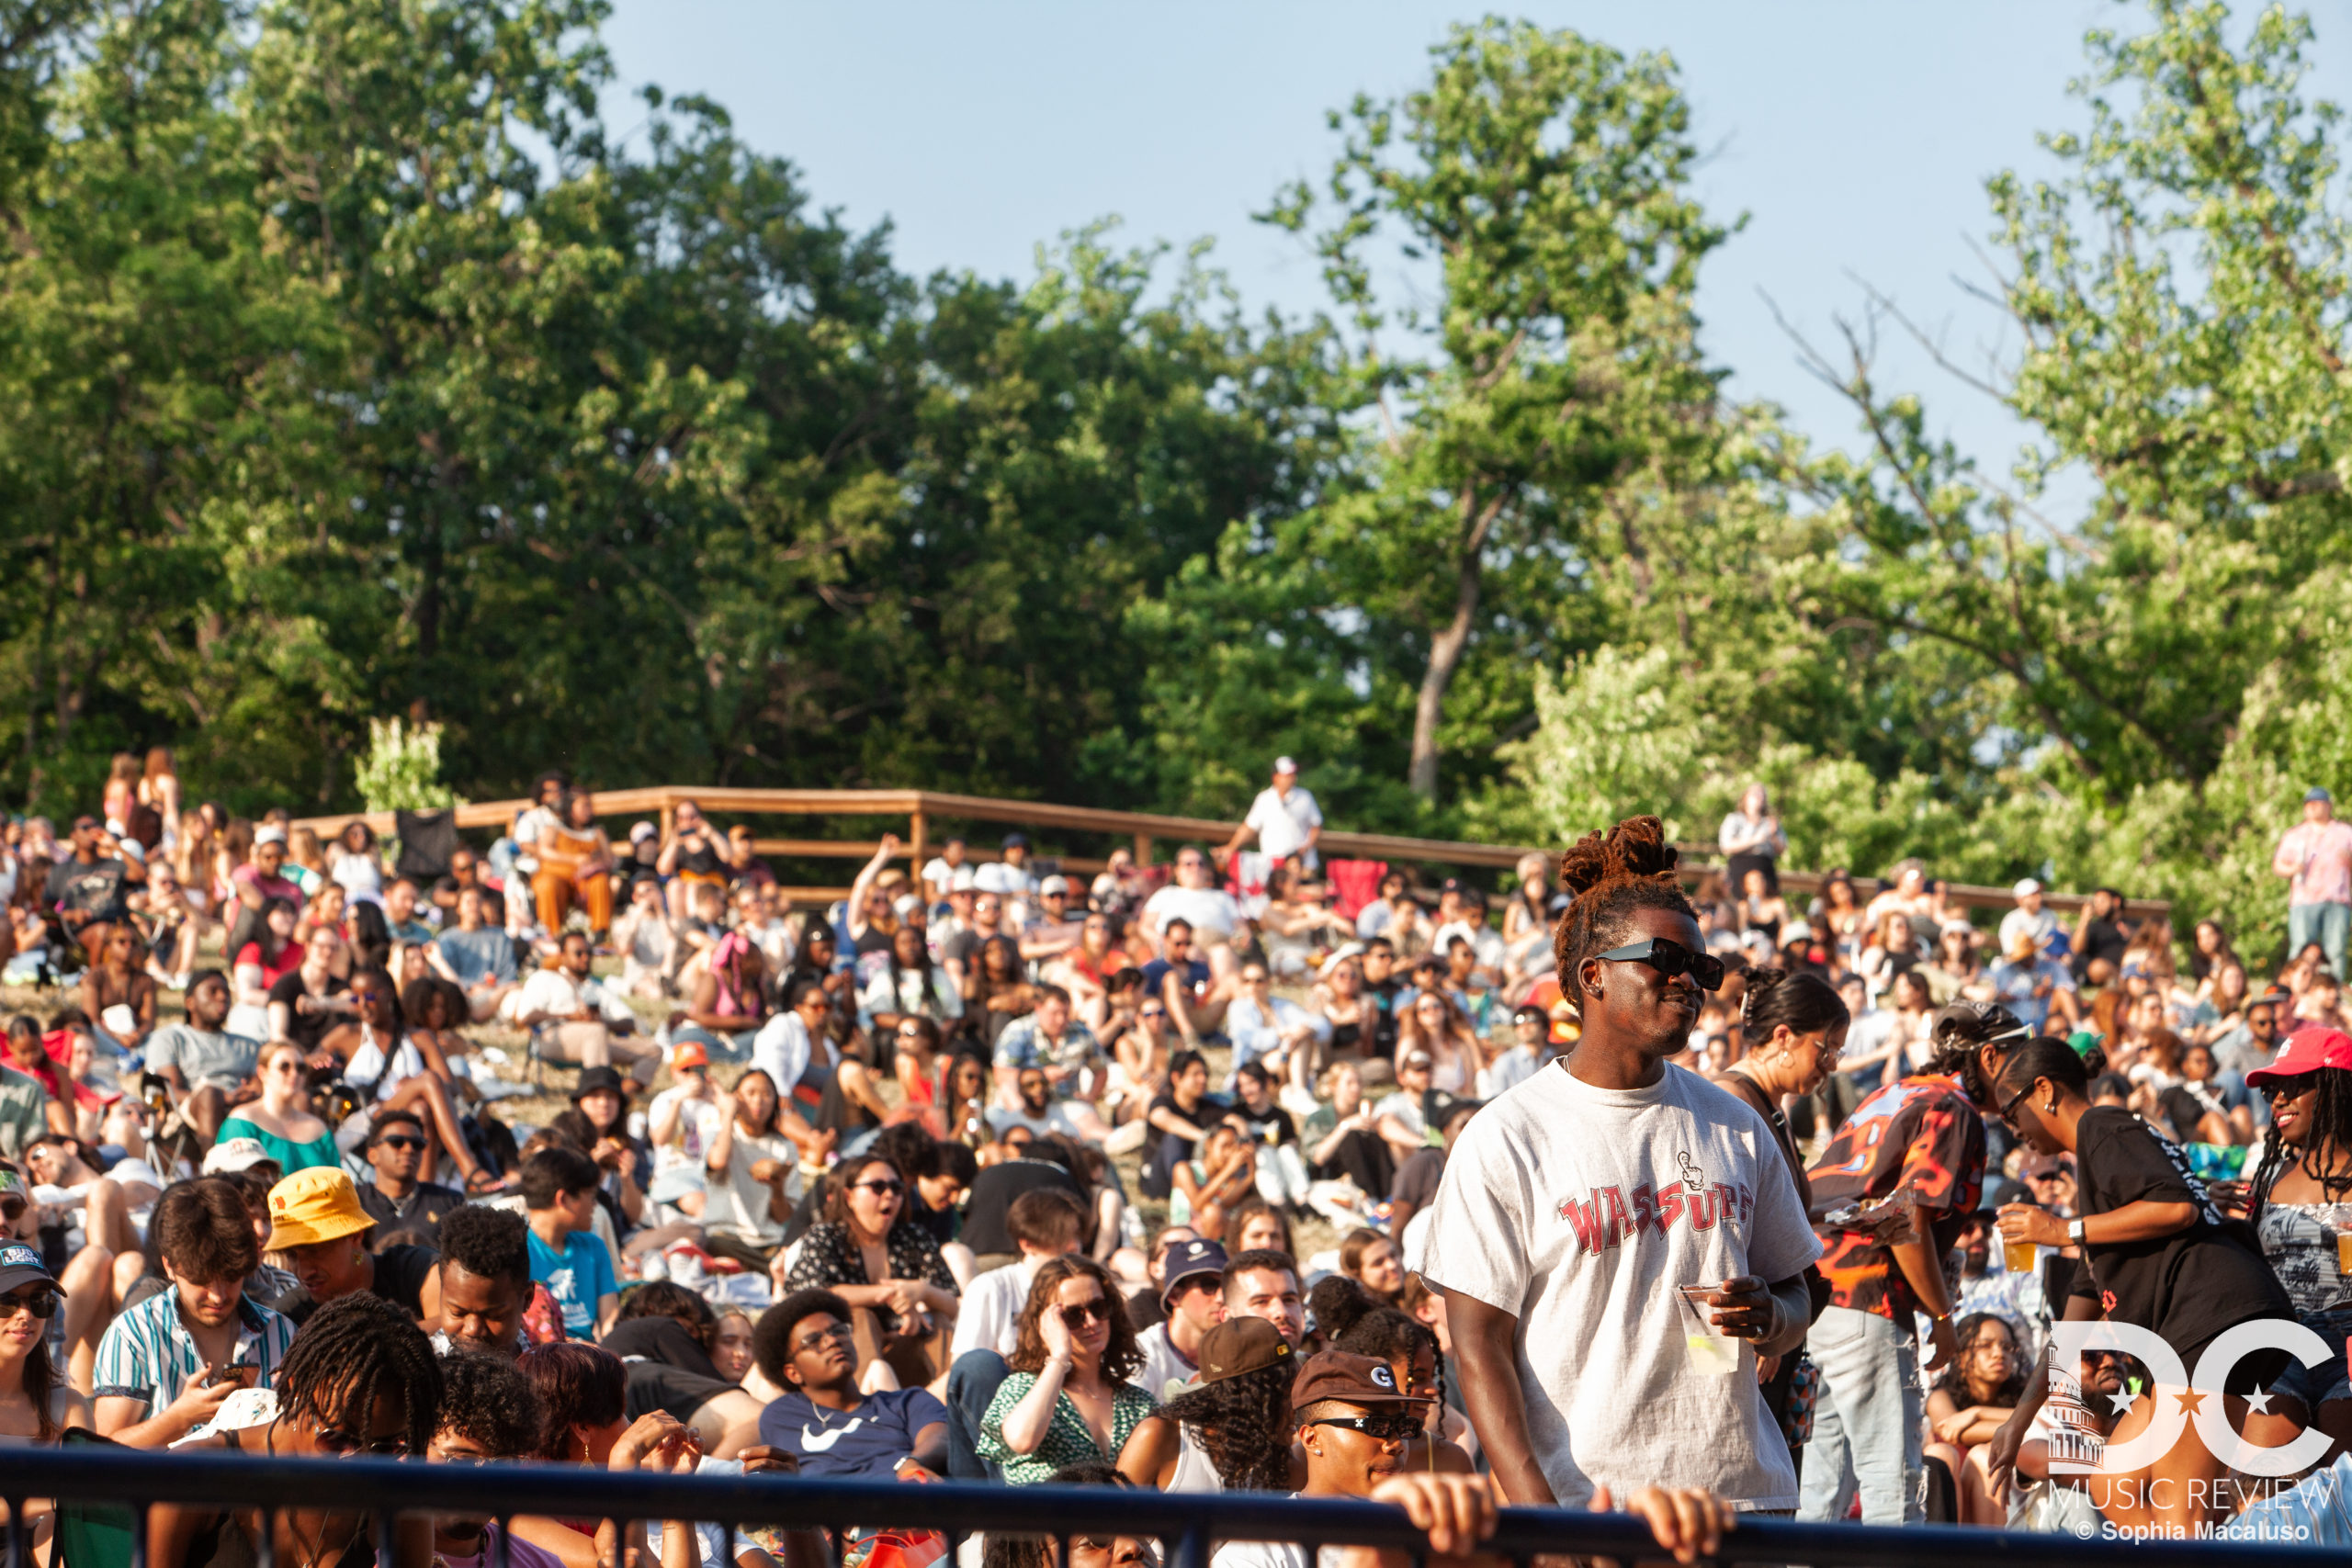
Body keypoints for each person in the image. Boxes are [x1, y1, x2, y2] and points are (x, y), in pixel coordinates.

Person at [1422, 815, 1818, 1512]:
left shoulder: (1735, 1123)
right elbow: (1477, 1344)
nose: (1689, 981)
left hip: (1748, 1503)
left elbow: (1799, 1294)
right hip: (1598, 1512)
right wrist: (1542, 1524)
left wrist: (1770, 1316)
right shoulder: (1508, 1135)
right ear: (1593, 974)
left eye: (1702, 967)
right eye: (1665, 959)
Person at [1986, 1037, 2301, 1534]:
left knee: (2181, 1519)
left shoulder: (2101, 1126)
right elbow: (2067, 1335)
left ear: (2043, 1090)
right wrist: (2018, 1421)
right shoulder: (2101, 1171)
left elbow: (2178, 1208)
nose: (2011, 1127)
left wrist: (2061, 1229)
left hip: (2210, 1319)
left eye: (2010, 1110)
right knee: (2115, 1480)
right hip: (2204, 1327)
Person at [1205, 1350, 1743, 1568]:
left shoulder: (1455, 1530)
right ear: (1311, 1437)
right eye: (1373, 1425)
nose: (1395, 1442)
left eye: (1402, 1425)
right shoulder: (1257, 1548)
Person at [1799, 1000, 1998, 1524]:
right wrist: (1942, 1317)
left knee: (1822, 1490)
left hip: (1816, 1291)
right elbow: (1906, 1223)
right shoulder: (1953, 1107)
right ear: (1993, 1059)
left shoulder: (1893, 1091)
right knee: (1895, 1485)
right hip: (1867, 1295)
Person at [146, 1294, 444, 1568]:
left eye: (390, 1448)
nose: (362, 1464)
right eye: (339, 1440)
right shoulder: (193, 1475)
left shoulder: (400, 1498)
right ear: (296, 1387)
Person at [94, 1175, 299, 1447]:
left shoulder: (283, 1332)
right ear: (169, 1267)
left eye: (231, 1277)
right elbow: (104, 1452)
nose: (217, 1295)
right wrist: (178, 1419)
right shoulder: (133, 1334)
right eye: (200, 1280)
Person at [2241, 1024, 2352, 1459]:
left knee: (2340, 1494)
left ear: (2336, 1087)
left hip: (2347, 1345)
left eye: (2293, 1085)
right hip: (2280, 1343)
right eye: (2273, 1091)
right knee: (2259, 1479)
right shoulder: (2268, 1176)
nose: (2279, 1100)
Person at [782, 1152, 958, 1384]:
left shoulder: (914, 1238)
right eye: (877, 1187)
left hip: (905, 1351)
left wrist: (922, 1291)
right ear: (849, 1197)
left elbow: (953, 1306)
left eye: (896, 1188)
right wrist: (889, 1295)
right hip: (840, 1359)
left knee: (938, 1321)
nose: (889, 1195)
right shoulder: (826, 1236)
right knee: (860, 1317)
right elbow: (813, 1295)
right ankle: (867, 1413)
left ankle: (947, 1408)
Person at [978, 1254, 1155, 1483]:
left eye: (1098, 1307)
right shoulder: (1021, 1386)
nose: (1091, 1322)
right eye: (1072, 1315)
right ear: (1046, 1322)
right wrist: (1059, 1356)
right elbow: (1022, 1441)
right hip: (1042, 1515)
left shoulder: (1138, 1402)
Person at [754, 1288, 951, 1477]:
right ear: (793, 1373)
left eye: (838, 1331)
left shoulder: (907, 1401)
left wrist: (912, 1464)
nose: (833, 1341)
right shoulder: (784, 1415)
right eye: (814, 1340)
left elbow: (940, 1437)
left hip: (904, 1497)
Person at [1120, 1314, 1295, 1493]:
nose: (1296, 1407)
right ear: (1248, 1400)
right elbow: (1110, 1515)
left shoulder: (1283, 1453)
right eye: (1284, 1395)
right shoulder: (1158, 1435)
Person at [263, 1166, 444, 1325]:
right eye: (291, 1255)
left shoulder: (416, 1270)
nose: (304, 1272)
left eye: (315, 1252)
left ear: (355, 1236)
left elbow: (454, 1325)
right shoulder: (287, 1316)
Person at [953, 1186, 1087, 1361]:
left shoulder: (1087, 1288)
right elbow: (966, 1367)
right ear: (1028, 1245)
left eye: (1077, 1236)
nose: (1075, 1247)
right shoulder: (990, 1288)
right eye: (1062, 1238)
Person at [514, 929, 660, 1082]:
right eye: (578, 953)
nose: (585, 958)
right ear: (562, 955)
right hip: (552, 1038)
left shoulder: (597, 987)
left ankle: (620, 1096)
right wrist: (570, 1016)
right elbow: (524, 1016)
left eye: (589, 953)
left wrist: (600, 1021)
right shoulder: (545, 978)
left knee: (653, 1050)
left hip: (598, 1038)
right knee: (595, 1032)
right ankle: (597, 1090)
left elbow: (630, 1021)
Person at [1921, 1312, 2026, 1526]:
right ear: (1960, 1355)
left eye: (2007, 1348)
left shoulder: (2023, 1395)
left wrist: (1977, 1413)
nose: (1999, 1354)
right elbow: (1953, 1432)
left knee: (1984, 1455)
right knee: (1941, 1453)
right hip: (1949, 1509)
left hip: (2009, 1508)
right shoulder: (1940, 1396)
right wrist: (2022, 1424)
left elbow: (2047, 1416)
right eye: (1985, 1346)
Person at [703, 1068, 813, 1265]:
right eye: (750, 1093)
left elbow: (782, 1218)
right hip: (728, 1236)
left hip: (769, 1240)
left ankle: (767, 1269)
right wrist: (728, 1113)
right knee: (716, 1244)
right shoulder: (721, 1135)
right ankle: (771, 1273)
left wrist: (777, 1188)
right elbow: (718, 1161)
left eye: (767, 1094)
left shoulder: (784, 1147)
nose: (758, 1101)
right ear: (737, 1098)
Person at [144, 968, 260, 1147]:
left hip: (245, 1109)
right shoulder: (170, 1038)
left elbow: (260, 1083)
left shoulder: (249, 1045)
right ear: (190, 1003)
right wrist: (223, 1098)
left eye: (226, 993)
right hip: (192, 1110)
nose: (222, 997)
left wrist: (251, 1093)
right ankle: (215, 1171)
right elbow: (169, 1093)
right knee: (209, 1094)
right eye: (213, 991)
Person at [524, 1145, 620, 1340]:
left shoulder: (594, 1247)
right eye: (592, 1196)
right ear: (564, 1199)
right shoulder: (517, 1251)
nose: (595, 1205)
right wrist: (576, 1348)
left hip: (591, 1358)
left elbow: (610, 1321)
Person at [434, 1201, 551, 1359]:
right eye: (457, 1313)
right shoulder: (422, 1373)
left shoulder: (542, 1372)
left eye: (494, 1315)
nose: (473, 1329)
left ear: (527, 1298)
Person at [0, 1240, 90, 1445]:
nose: (25, 1314)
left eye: (39, 1300)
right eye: (6, 1301)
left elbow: (91, 1478)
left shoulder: (70, 1407)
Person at [214, 1039, 339, 1172]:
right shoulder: (242, 1121)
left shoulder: (319, 1129)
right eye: (284, 1067)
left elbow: (339, 1183)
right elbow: (230, 1182)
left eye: (300, 1068)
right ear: (263, 1072)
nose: (294, 1074)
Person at [1134, 1237, 1227, 1400]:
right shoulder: (1144, 1352)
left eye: (1226, 1285)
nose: (1221, 1297)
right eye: (1208, 1285)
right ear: (1174, 1296)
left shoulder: (1239, 1347)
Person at [359, 1107, 467, 1245]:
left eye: (417, 1144)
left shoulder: (450, 1202)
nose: (409, 1149)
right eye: (397, 1142)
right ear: (373, 1155)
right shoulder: (355, 1204)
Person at [2278, 786, 2352, 984]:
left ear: (2328, 806)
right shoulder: (2295, 834)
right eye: (2308, 804)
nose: (2311, 808)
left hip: (2337, 899)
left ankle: (2330, 990)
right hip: (2304, 899)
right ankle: (2292, 990)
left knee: (2335, 949)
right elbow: (2278, 865)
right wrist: (2294, 868)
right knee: (2300, 947)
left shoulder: (2346, 833)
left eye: (2316, 804)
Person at [1220, 756, 1324, 871]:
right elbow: (1249, 827)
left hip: (1303, 863)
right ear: (1275, 777)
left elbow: (1316, 825)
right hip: (1273, 864)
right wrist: (1231, 848)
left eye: (1293, 774)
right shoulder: (1264, 799)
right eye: (1287, 775)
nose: (1292, 778)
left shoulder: (1305, 797)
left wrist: (1306, 846)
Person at [431, 886, 518, 1020]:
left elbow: (509, 974)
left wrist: (493, 989)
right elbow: (448, 978)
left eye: (478, 902)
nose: (474, 906)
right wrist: (472, 986)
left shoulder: (500, 936)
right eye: (468, 902)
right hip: (467, 996)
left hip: (500, 993)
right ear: (458, 908)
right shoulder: (447, 939)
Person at [1719, 784, 1786, 896]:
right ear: (1746, 797)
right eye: (1756, 794)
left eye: (1762, 795)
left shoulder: (1770, 821)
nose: (1759, 798)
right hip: (1740, 867)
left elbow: (1782, 849)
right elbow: (1726, 846)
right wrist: (1754, 840)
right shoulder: (1734, 819)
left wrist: (1773, 835)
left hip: (1765, 867)